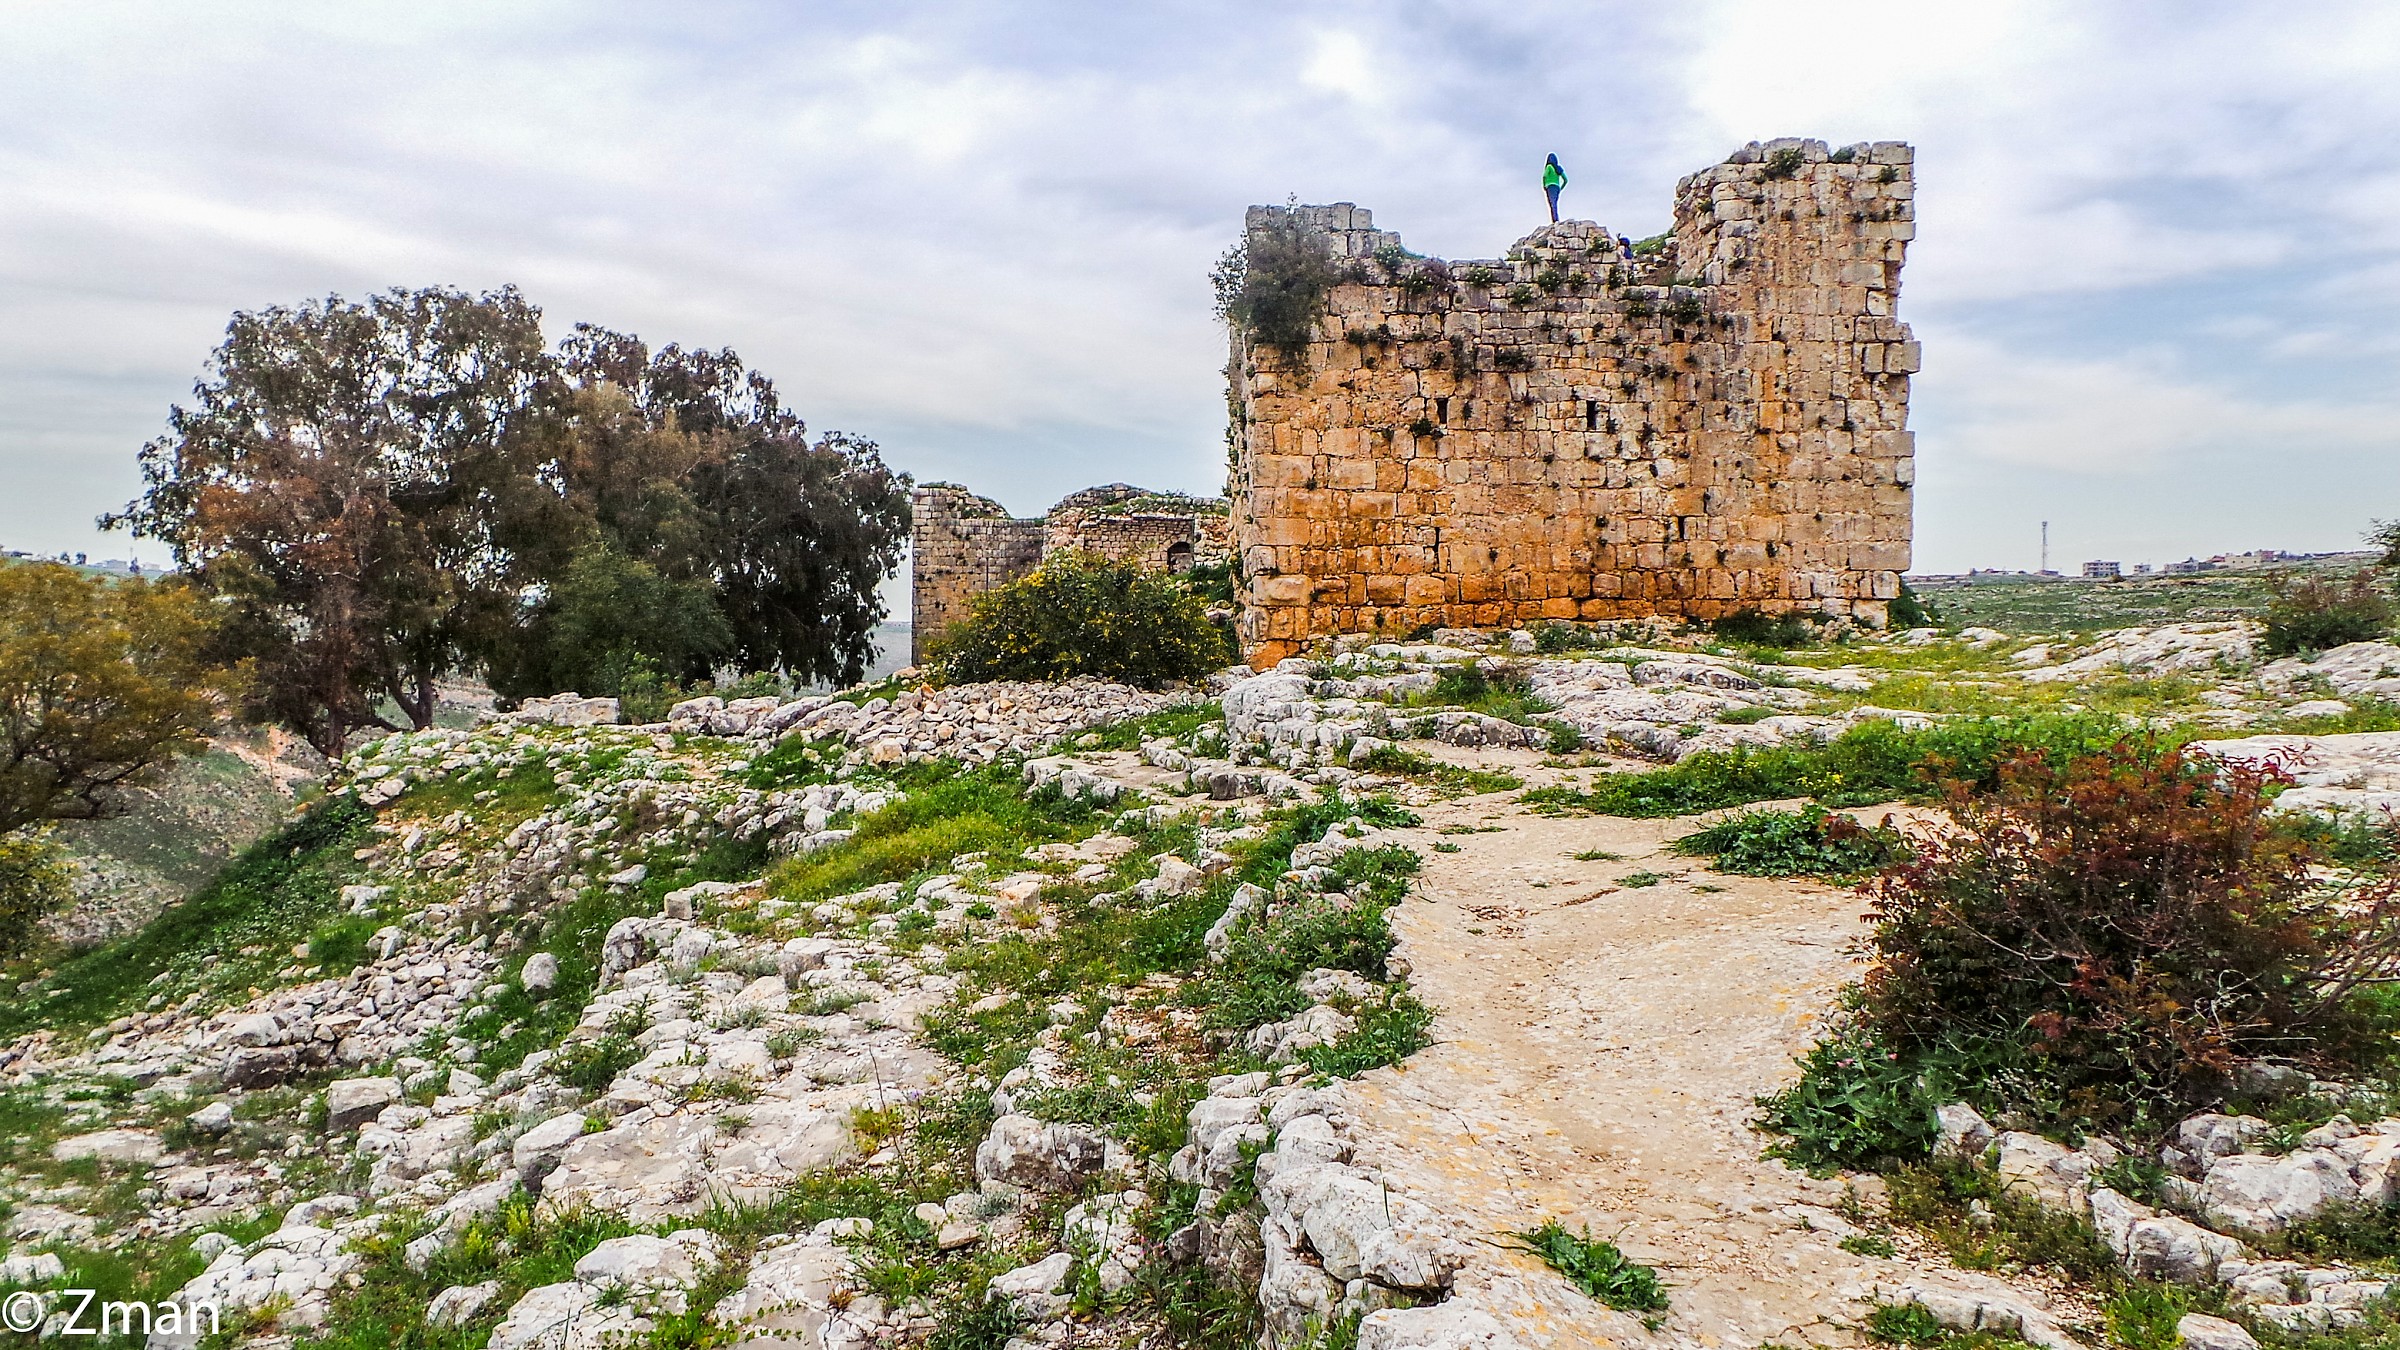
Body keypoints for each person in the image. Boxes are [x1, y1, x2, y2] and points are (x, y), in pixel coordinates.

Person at [1542, 154, 1567, 222]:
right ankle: (1555, 219)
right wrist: (1560, 188)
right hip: (1556, 187)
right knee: (1555, 203)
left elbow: (1544, 176)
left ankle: (1555, 220)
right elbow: (1566, 180)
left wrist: (1544, 185)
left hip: (1550, 187)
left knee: (1551, 203)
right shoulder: (1558, 168)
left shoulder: (1549, 167)